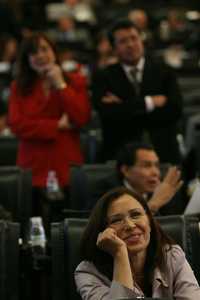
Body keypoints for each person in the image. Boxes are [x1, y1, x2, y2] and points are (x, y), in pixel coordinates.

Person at [8, 33, 91, 226]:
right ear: (27, 59)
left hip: (66, 162)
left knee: (69, 223)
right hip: (32, 165)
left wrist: (60, 85)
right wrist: (56, 125)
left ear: (54, 51)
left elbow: (81, 117)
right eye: (33, 52)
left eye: (44, 49)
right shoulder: (18, 87)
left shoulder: (74, 81)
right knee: (33, 224)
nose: (40, 55)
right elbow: (17, 124)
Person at [75, 186, 200, 299]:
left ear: (150, 222)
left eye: (135, 215)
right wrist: (120, 254)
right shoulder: (88, 273)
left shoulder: (172, 256)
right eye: (116, 220)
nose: (129, 225)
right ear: (102, 232)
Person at [91, 19, 183, 164]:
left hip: (164, 153)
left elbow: (175, 110)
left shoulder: (164, 71)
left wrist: (125, 106)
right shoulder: (103, 77)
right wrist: (150, 103)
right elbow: (108, 115)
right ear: (114, 49)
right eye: (123, 41)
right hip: (121, 156)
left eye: (134, 38)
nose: (130, 45)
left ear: (141, 40)